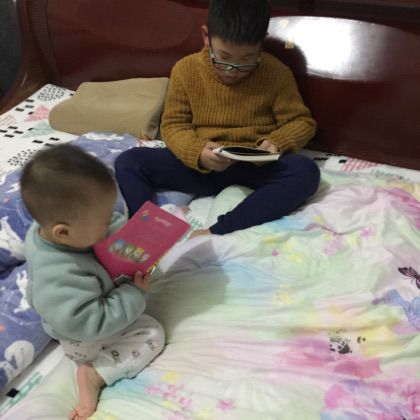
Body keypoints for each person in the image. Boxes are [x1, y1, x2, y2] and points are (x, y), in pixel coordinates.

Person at [115, 0, 320, 237]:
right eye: (224, 57)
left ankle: (219, 230)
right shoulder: (186, 69)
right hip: (201, 165)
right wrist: (197, 151)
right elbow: (173, 125)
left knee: (305, 171)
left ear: (261, 42)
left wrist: (277, 142)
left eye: (247, 60)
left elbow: (302, 122)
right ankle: (146, 230)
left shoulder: (276, 73)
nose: (233, 70)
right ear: (206, 37)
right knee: (129, 161)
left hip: (254, 166)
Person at [20, 144, 165, 420]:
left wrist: (124, 233)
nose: (110, 223)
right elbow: (87, 322)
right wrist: (133, 295)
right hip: (81, 335)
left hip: (83, 301)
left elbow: (107, 225)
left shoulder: (58, 229)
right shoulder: (59, 275)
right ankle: (94, 373)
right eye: (104, 222)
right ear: (63, 233)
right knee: (151, 333)